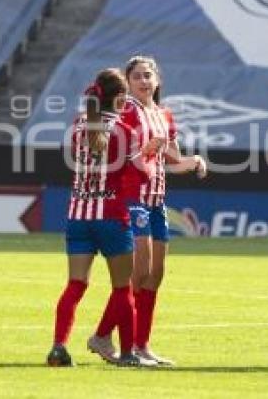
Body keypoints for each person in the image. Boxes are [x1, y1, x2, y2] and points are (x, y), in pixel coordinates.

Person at [88, 56, 207, 366]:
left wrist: (193, 162)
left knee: (155, 276)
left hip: (156, 202)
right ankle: (103, 335)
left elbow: (172, 160)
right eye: (136, 76)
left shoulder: (164, 115)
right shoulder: (127, 112)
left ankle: (142, 345)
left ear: (157, 80)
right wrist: (147, 150)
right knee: (137, 275)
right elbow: (121, 157)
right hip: (133, 199)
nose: (142, 81)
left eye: (147, 75)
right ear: (127, 82)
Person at [47, 68, 150, 368]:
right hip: (112, 217)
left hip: (78, 215)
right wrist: (151, 154)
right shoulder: (125, 131)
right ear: (119, 99)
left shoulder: (78, 126)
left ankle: (58, 347)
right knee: (122, 288)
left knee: (75, 285)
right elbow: (140, 172)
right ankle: (128, 353)